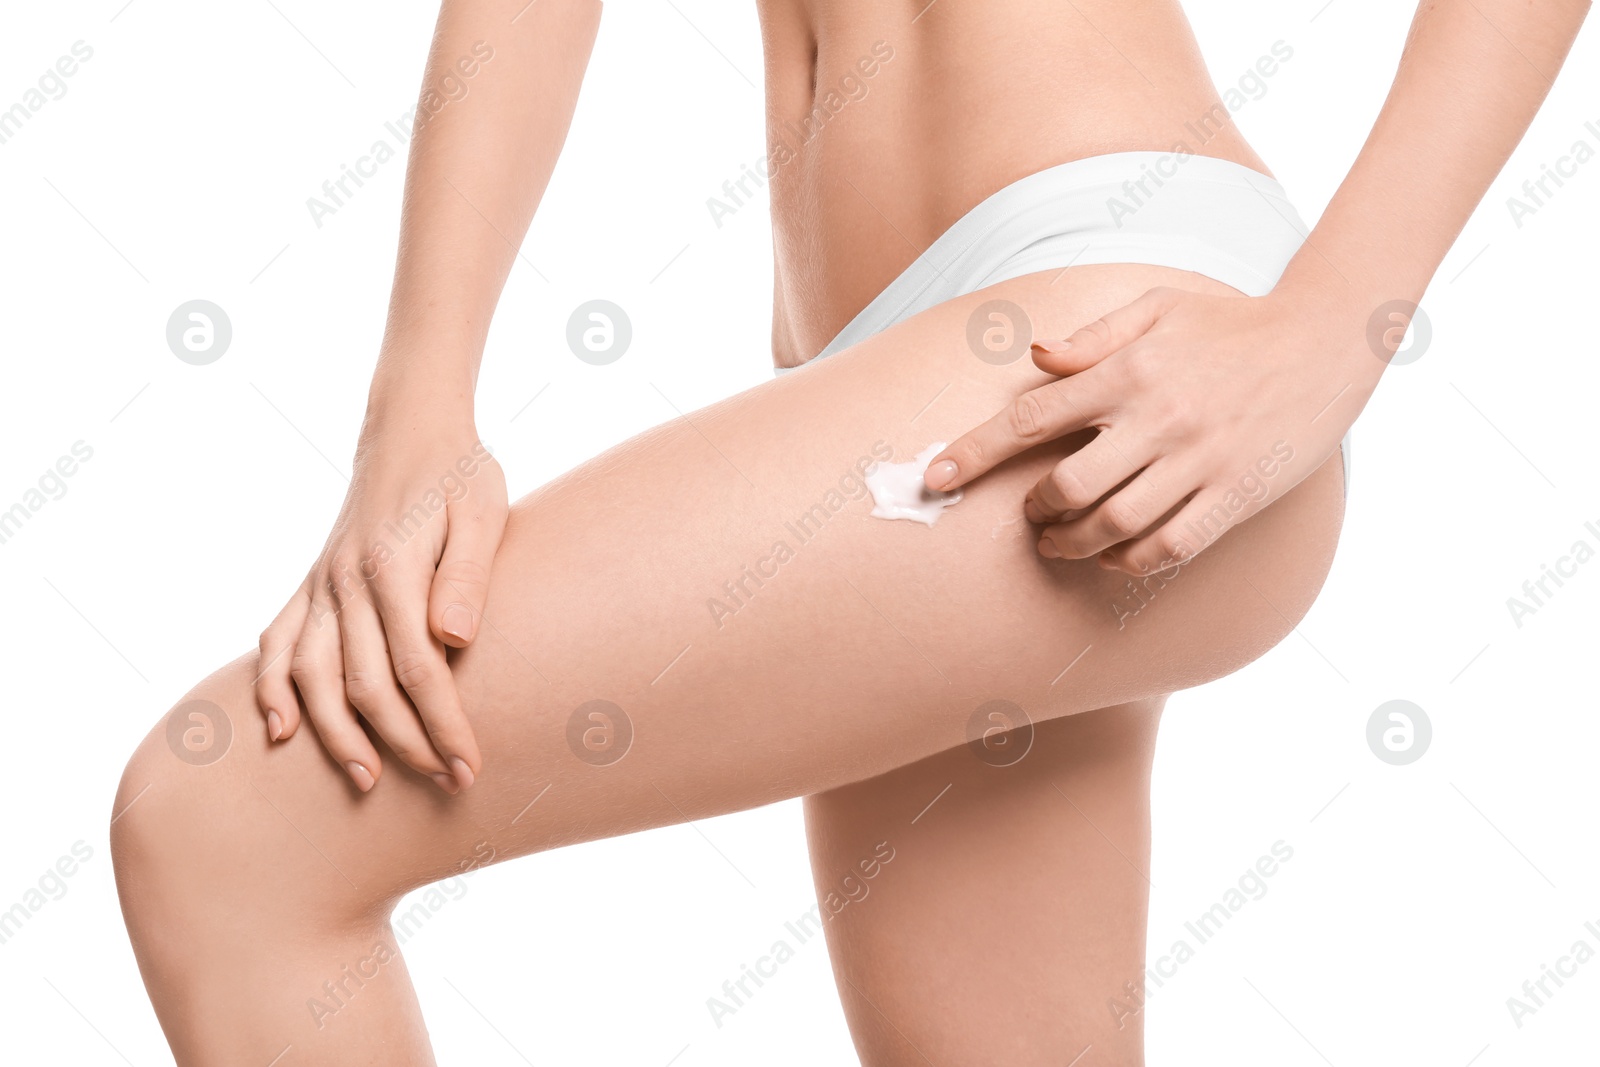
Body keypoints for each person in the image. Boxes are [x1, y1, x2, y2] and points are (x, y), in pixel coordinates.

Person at [110, 0, 1590, 1063]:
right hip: (903, 349)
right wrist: (416, 413)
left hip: (1095, 314)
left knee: (231, 829)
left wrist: (1340, 322)